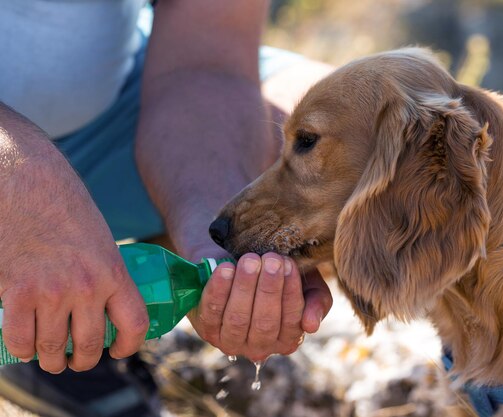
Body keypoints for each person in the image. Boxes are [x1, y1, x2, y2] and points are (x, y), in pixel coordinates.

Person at [0, 0, 334, 415]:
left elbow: (207, 61)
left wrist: (214, 234)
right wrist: (17, 184)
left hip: (116, 101)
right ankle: (33, 325)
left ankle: (75, 311)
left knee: (351, 138)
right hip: (13, 156)